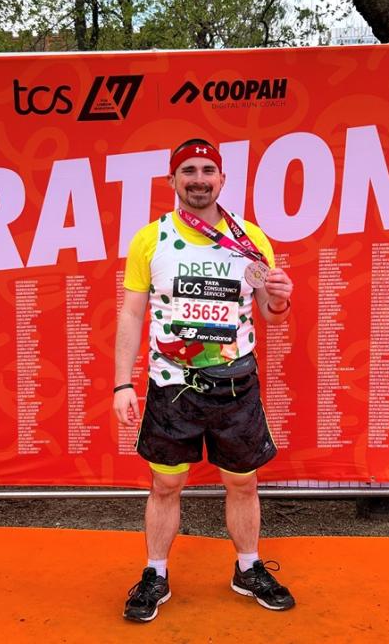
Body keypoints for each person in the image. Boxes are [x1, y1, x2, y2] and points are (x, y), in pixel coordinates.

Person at [113, 138, 295, 623]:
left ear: (222, 179)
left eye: (207, 169)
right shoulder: (150, 239)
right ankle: (155, 574)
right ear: (173, 180)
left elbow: (271, 316)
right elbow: (132, 314)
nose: (198, 178)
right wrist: (122, 383)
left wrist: (278, 297)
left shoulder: (248, 238)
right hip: (171, 387)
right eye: (187, 170)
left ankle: (248, 568)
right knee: (165, 485)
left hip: (235, 386)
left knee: (243, 484)